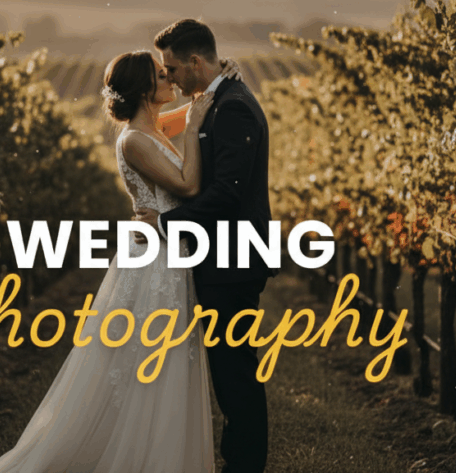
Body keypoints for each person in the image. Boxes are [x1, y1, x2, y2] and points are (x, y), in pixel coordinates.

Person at [0, 49, 243, 473]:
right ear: (144, 89)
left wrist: (213, 88)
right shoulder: (134, 139)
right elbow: (189, 182)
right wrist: (195, 121)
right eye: (162, 75)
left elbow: (190, 115)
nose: (170, 81)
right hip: (153, 262)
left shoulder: (154, 129)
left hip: (165, 254)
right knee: (147, 360)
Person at [135, 19, 277, 473]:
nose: (170, 77)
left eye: (173, 68)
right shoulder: (216, 97)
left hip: (233, 261)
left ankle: (245, 465)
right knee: (231, 370)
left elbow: (228, 194)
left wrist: (165, 224)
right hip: (223, 257)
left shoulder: (232, 107)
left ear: (196, 62)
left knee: (235, 375)